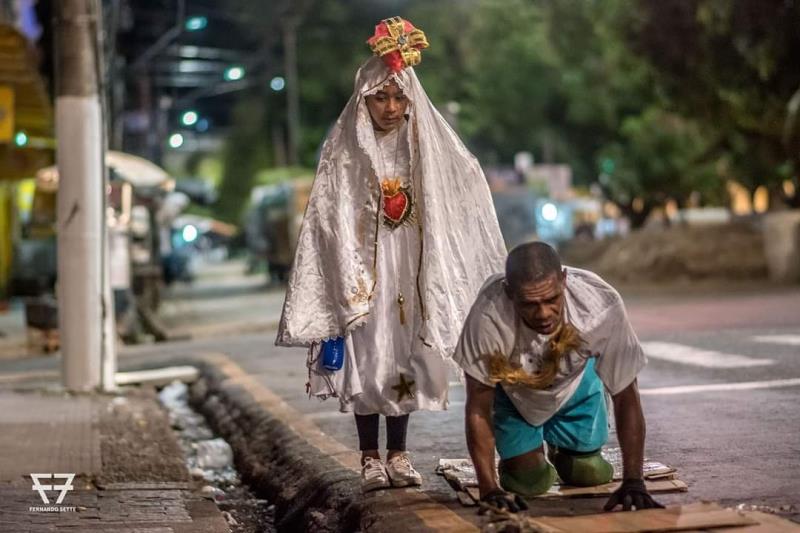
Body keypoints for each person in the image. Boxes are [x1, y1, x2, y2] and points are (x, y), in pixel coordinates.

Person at [275, 17, 505, 493]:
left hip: (412, 272)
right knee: (369, 359)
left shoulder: (427, 148)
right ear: (364, 99)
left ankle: (399, 455)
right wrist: (343, 269)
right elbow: (327, 218)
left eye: (399, 97)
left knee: (405, 359)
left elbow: (462, 183)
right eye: (380, 97)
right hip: (363, 276)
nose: (391, 107)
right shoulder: (343, 154)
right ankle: (368, 457)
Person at [454, 241, 663, 512]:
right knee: (528, 482)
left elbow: (626, 394)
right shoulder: (487, 317)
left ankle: (565, 449)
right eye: (529, 304)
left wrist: (634, 481)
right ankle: (525, 456)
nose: (543, 314)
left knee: (589, 473)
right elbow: (479, 406)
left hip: (575, 383)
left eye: (551, 299)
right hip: (516, 393)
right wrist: (489, 488)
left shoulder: (600, 307)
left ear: (564, 280)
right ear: (509, 291)